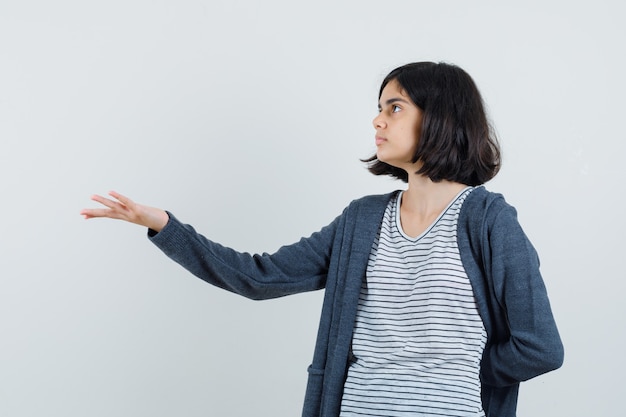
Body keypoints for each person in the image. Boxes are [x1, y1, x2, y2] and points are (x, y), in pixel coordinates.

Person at [81, 61, 564, 417]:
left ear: (442, 117)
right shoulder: (362, 221)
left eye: (394, 107)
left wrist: (456, 374)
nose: (378, 120)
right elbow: (259, 276)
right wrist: (165, 225)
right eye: (378, 109)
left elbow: (539, 346)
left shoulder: (488, 221)